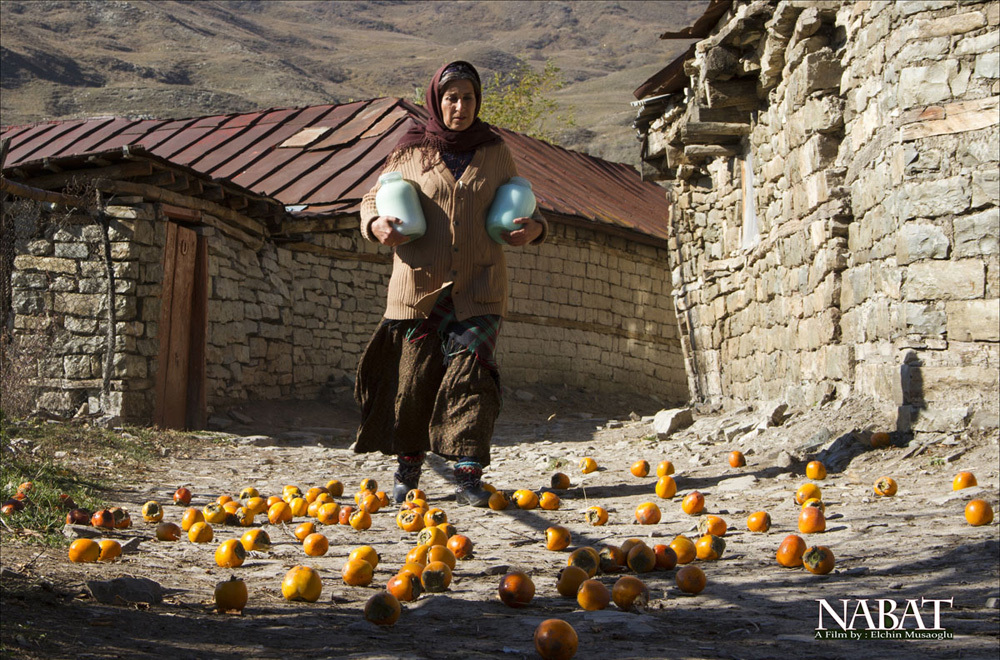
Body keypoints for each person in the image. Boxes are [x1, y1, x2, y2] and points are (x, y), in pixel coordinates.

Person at [354, 60, 546, 507]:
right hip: (418, 288)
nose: (460, 106)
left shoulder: (495, 150)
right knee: (414, 381)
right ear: (437, 101)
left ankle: (467, 473)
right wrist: (375, 224)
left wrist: (534, 229)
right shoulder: (410, 151)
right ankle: (408, 468)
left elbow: (525, 201)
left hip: (480, 286)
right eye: (451, 97)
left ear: (479, 102)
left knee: (472, 376)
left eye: (469, 98)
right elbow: (371, 198)